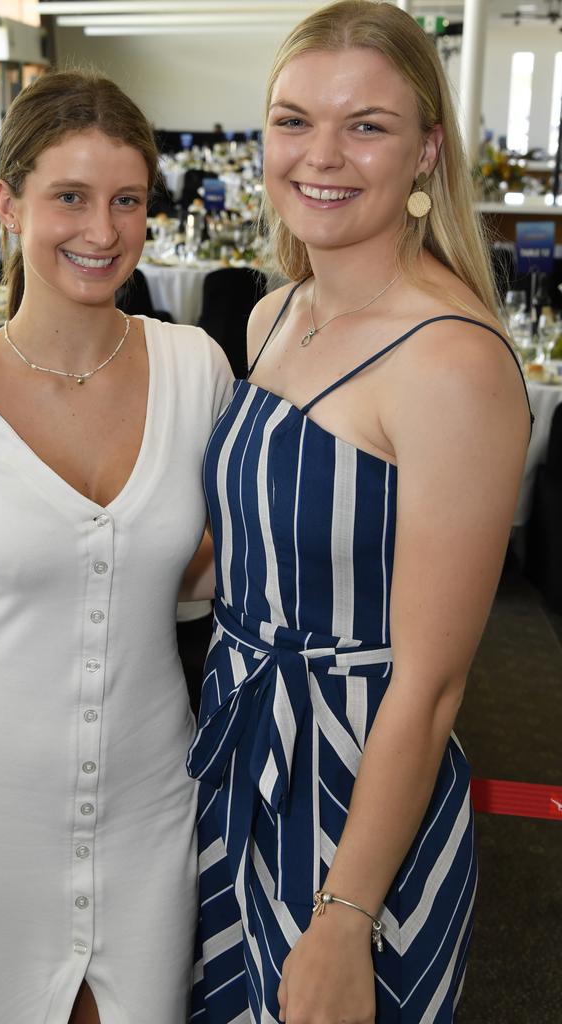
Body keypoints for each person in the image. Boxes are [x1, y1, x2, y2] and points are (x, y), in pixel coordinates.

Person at [0, 69, 232, 1024]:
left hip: (153, 811)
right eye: (70, 197)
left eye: (127, 201)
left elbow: (202, 579)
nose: (101, 232)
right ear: (7, 203)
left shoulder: (197, 369)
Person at [184, 3, 532, 1022]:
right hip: (235, 754)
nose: (320, 155)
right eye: (293, 121)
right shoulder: (274, 311)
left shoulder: (451, 362)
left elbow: (429, 683)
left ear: (426, 149)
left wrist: (343, 912)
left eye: (365, 125)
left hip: (355, 797)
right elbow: (236, 553)